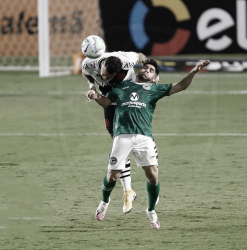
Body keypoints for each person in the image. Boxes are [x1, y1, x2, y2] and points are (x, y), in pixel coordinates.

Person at [85, 59, 211, 229]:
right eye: (145, 68)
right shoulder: (122, 86)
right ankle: (104, 203)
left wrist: (194, 71)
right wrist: (96, 96)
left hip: (144, 137)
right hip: (122, 136)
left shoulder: (155, 89)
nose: (146, 70)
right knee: (111, 176)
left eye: (151, 70)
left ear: (155, 79)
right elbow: (107, 103)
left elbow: (181, 86)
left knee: (153, 176)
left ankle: (151, 210)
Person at [81, 51, 148, 214]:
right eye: (102, 75)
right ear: (101, 66)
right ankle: (129, 192)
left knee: (122, 144)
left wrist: (148, 70)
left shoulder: (127, 61)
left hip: (129, 99)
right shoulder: (89, 63)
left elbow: (141, 56)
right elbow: (86, 73)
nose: (103, 78)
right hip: (109, 101)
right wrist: (92, 87)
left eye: (107, 77)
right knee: (119, 144)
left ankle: (127, 192)